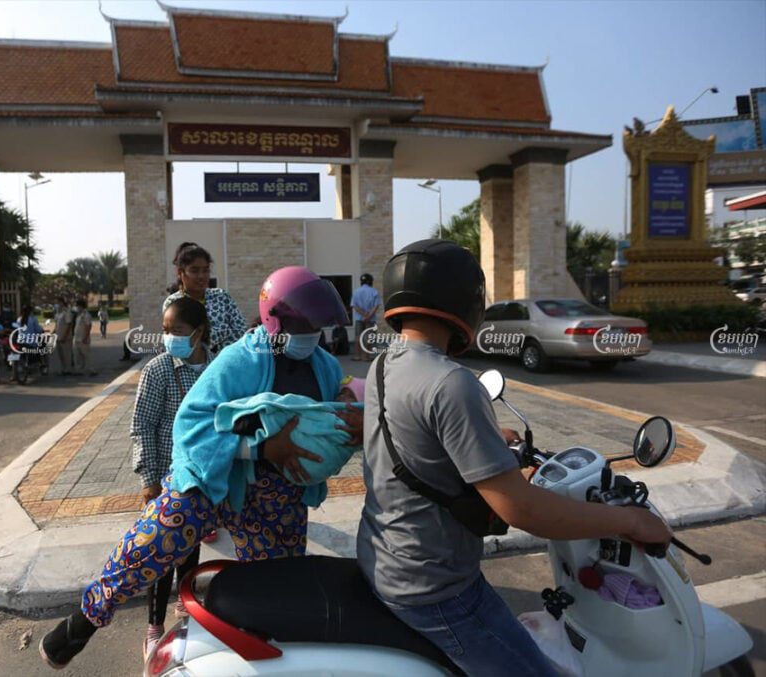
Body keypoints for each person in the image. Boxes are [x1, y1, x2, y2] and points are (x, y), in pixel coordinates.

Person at [356, 239, 673, 677]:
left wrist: (486, 440)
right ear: (467, 302)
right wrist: (632, 522)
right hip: (436, 588)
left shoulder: (382, 365)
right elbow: (523, 510)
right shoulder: (452, 382)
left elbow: (411, 440)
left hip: (387, 559)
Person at [39, 266, 363, 670]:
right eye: (304, 323)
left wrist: (349, 422)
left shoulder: (324, 366)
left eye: (318, 325)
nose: (312, 333)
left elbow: (334, 411)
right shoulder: (241, 360)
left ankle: (253, 654)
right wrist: (261, 448)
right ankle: (84, 620)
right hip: (214, 481)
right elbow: (190, 424)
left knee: (281, 588)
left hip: (277, 496)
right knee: (163, 530)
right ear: (274, 319)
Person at [131, 296, 214, 658]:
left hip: (203, 478)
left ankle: (185, 610)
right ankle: (154, 627)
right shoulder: (159, 370)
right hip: (166, 479)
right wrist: (149, 478)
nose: (169, 337)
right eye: (165, 330)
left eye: (176, 330)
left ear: (199, 333)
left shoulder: (216, 369)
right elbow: (142, 426)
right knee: (161, 554)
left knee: (190, 547)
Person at [162, 242, 247, 353]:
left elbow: (241, 331)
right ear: (180, 272)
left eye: (205, 270)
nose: (201, 276)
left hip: (225, 364)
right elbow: (181, 340)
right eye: (194, 270)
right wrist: (224, 332)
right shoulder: (174, 303)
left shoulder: (221, 297)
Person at [351, 273, 381, 361]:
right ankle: (366, 356)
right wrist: (368, 316)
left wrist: (363, 315)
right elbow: (376, 306)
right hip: (371, 319)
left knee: (358, 337)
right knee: (369, 337)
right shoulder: (374, 291)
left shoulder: (356, 291)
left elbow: (354, 306)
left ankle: (357, 356)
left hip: (359, 319)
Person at [72, 298, 96, 377]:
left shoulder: (86, 315)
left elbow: (88, 326)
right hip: (77, 338)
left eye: (77, 306)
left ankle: (91, 370)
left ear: (81, 306)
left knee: (86, 355)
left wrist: (85, 337)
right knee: (77, 355)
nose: (76, 308)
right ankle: (78, 370)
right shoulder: (78, 315)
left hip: (83, 338)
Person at [53, 298, 74, 376]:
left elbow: (69, 325)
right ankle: (63, 369)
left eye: (58, 303)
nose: (57, 305)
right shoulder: (58, 313)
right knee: (61, 354)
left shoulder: (67, 312)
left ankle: (68, 370)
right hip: (58, 337)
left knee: (66, 354)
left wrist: (65, 336)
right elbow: (56, 325)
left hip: (66, 337)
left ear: (62, 303)